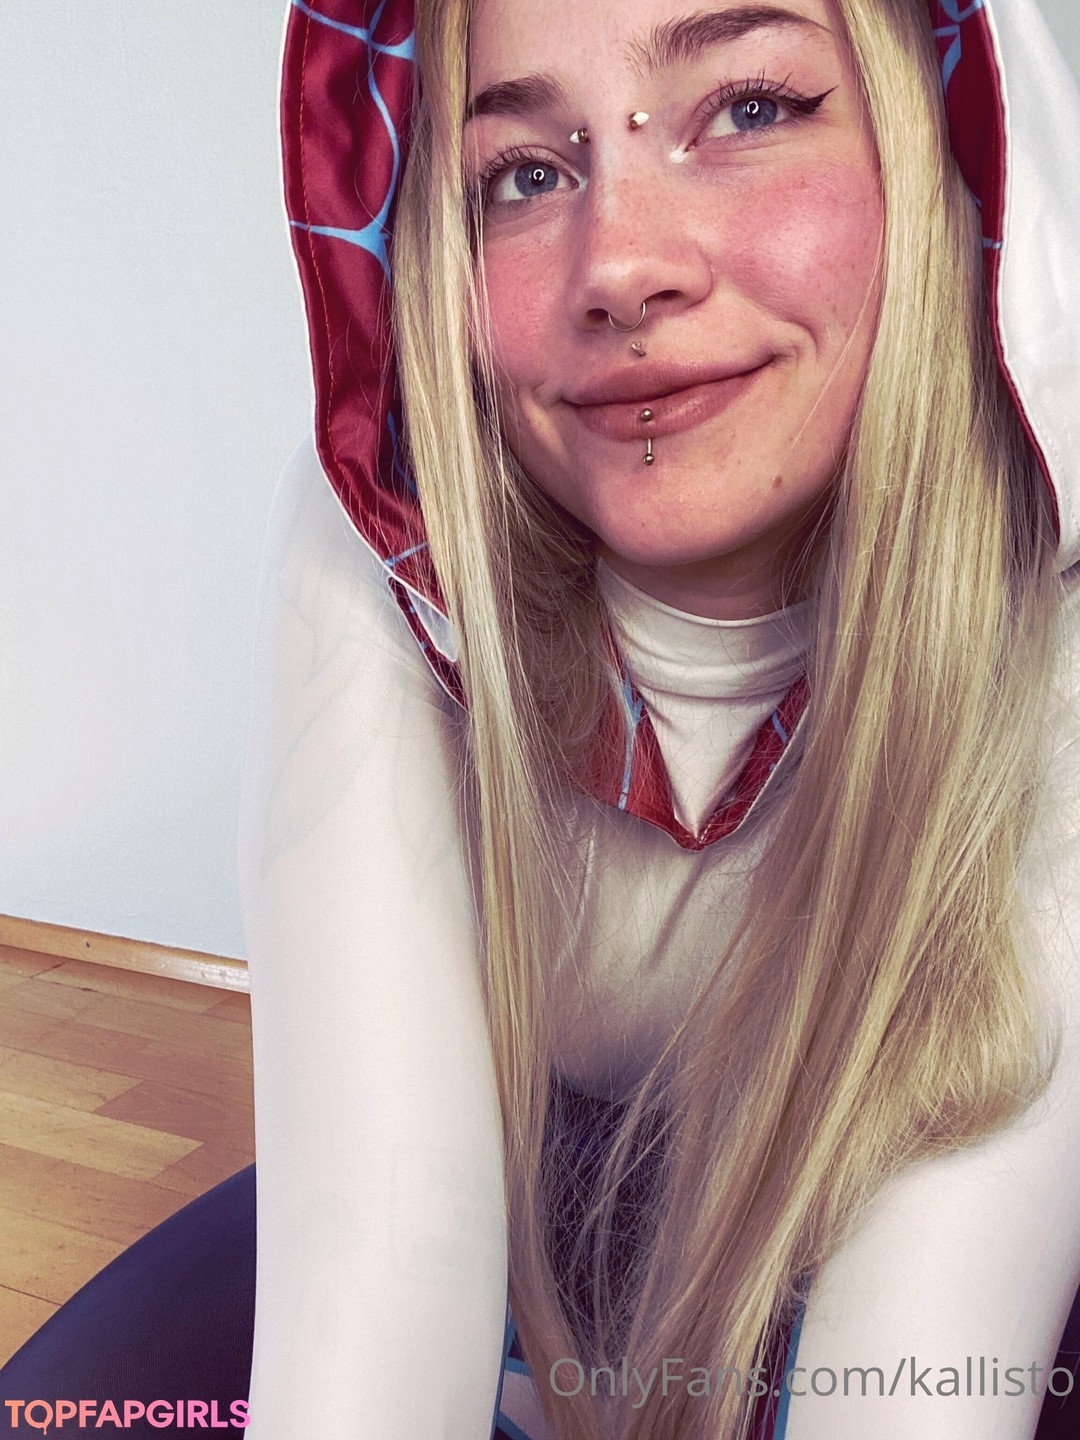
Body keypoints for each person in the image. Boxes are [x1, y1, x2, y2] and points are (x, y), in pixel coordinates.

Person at [2, 1, 1078, 1438]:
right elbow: (385, 1264)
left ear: (947, 145)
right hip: (522, 1228)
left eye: (750, 108)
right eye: (524, 173)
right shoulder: (390, 541)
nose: (620, 264)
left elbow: (916, 1377)